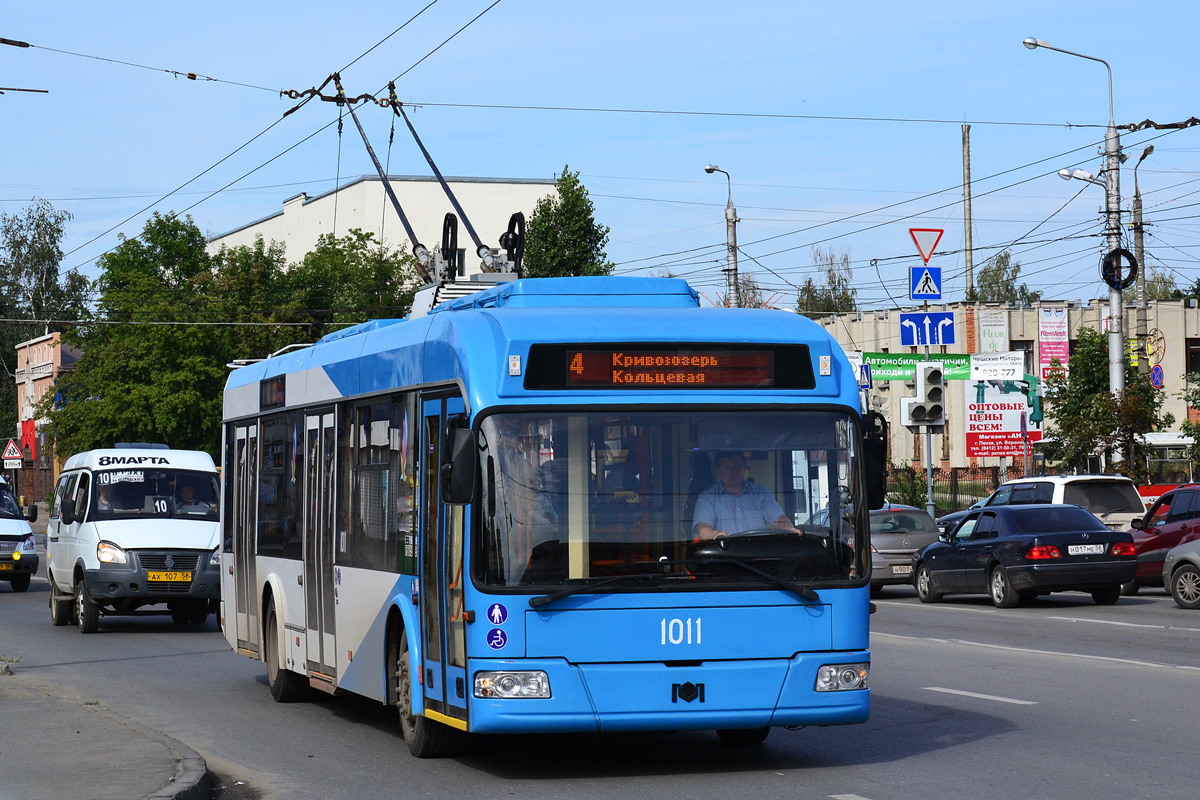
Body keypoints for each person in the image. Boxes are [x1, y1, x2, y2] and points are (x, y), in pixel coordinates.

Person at [692, 451, 798, 539]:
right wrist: (717, 535)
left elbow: (779, 519)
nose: (733, 472)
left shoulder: (761, 493)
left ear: (744, 468)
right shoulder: (707, 497)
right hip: (724, 557)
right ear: (718, 471)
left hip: (758, 557)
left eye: (737, 466)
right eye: (727, 467)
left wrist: (788, 528)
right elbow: (703, 529)